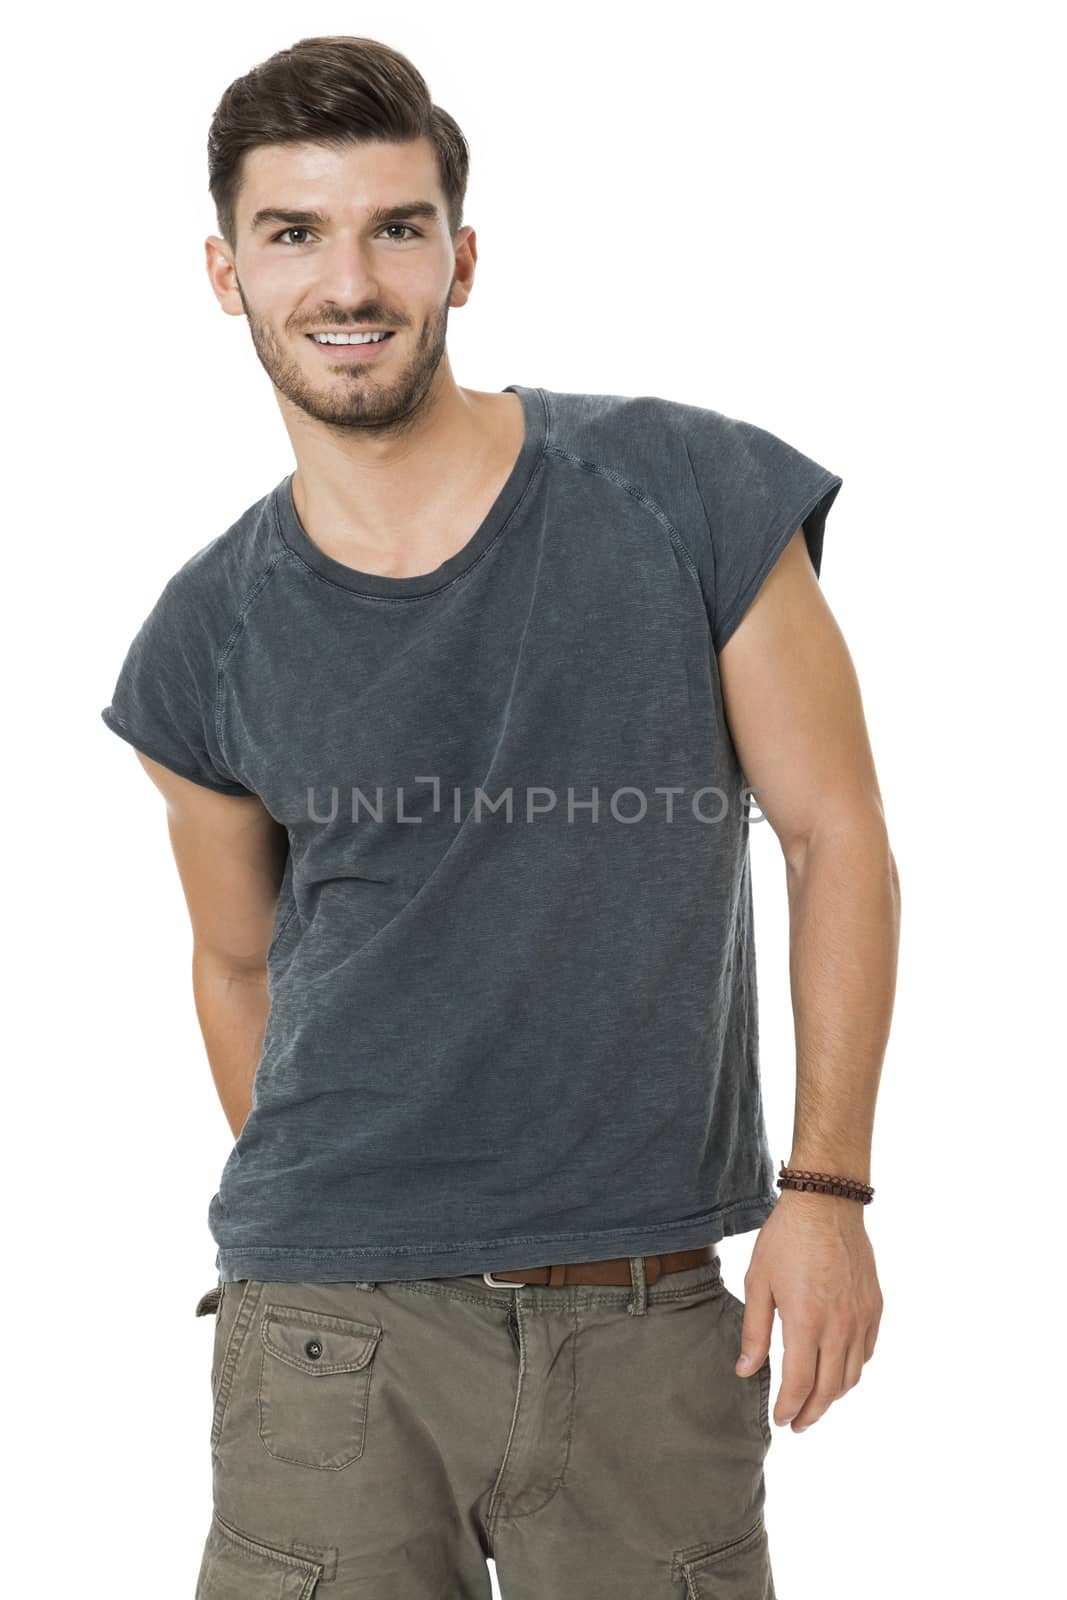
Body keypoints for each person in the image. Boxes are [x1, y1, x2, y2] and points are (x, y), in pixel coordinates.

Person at [100, 34, 898, 1600]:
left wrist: (830, 1192)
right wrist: (348, 1225)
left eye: (396, 227)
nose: (350, 280)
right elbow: (237, 963)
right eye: (294, 233)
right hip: (326, 1341)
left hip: (651, 1316)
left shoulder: (687, 495)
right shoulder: (201, 637)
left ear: (461, 260)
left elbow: (837, 837)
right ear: (223, 271)